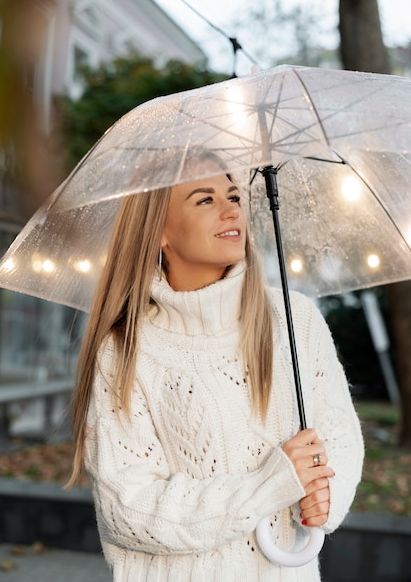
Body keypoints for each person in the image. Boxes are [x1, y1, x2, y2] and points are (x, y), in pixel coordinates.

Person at [67, 150, 364, 581]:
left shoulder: (294, 320)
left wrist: (325, 496)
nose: (230, 210)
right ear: (159, 232)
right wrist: (267, 485)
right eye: (204, 200)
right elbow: (127, 507)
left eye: (233, 196)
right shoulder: (126, 350)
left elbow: (338, 437)